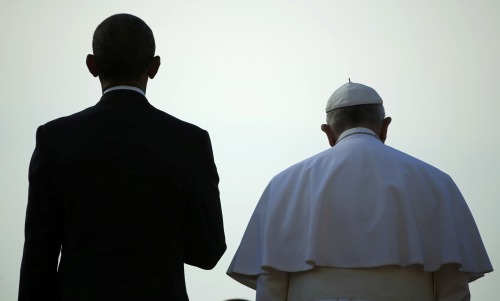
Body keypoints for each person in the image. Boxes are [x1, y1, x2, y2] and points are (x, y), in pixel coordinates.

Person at [19, 14, 226, 301]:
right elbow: (209, 251)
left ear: (92, 65)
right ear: (154, 67)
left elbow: (38, 258)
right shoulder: (190, 142)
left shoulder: (54, 139)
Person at [227, 81, 492, 300]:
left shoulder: (284, 184)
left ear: (328, 132)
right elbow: (453, 284)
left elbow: (271, 282)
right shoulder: (436, 181)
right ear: (385, 126)